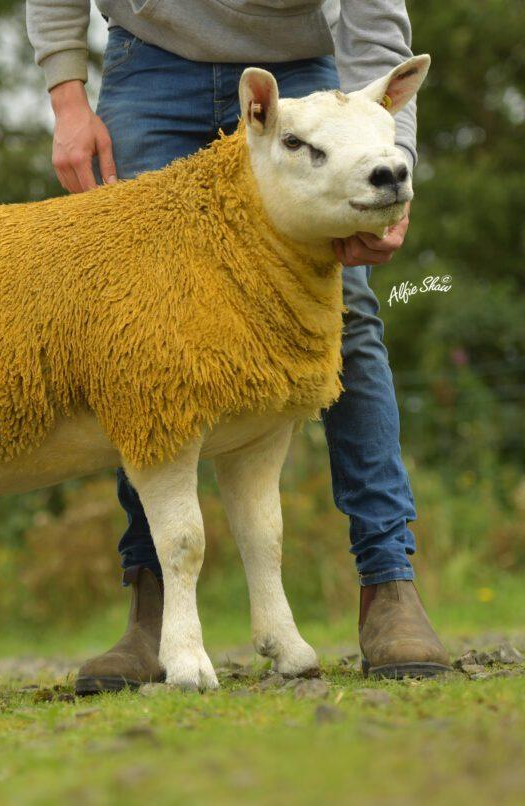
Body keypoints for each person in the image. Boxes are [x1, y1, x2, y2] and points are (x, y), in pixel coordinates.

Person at [26, 0, 451, 692]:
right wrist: (68, 97)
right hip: (148, 66)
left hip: (301, 79)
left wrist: (390, 168)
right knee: (140, 332)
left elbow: (375, 25)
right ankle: (154, 610)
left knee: (352, 310)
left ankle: (389, 585)